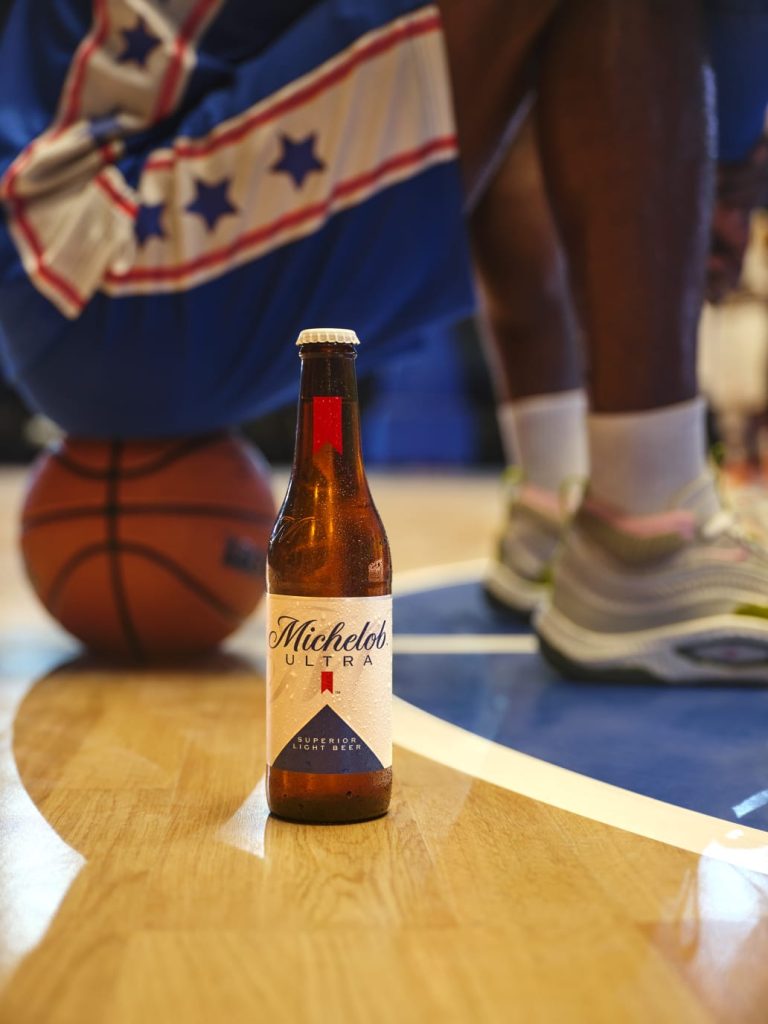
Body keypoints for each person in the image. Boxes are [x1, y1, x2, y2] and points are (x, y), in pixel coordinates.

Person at [0, 0, 765, 683]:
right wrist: (726, 154)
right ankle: (646, 524)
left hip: (70, 255)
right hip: (93, 252)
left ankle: (555, 498)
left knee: (515, 31)